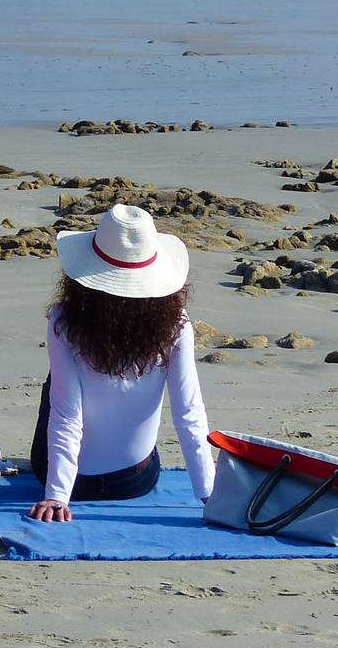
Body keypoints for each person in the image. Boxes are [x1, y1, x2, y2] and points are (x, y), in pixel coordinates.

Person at [28, 204, 216, 523]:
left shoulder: (63, 321)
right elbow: (189, 413)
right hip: (133, 481)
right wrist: (209, 494)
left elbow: (66, 414)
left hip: (72, 487)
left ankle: (70, 472)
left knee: (57, 385)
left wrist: (57, 496)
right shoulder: (177, 325)